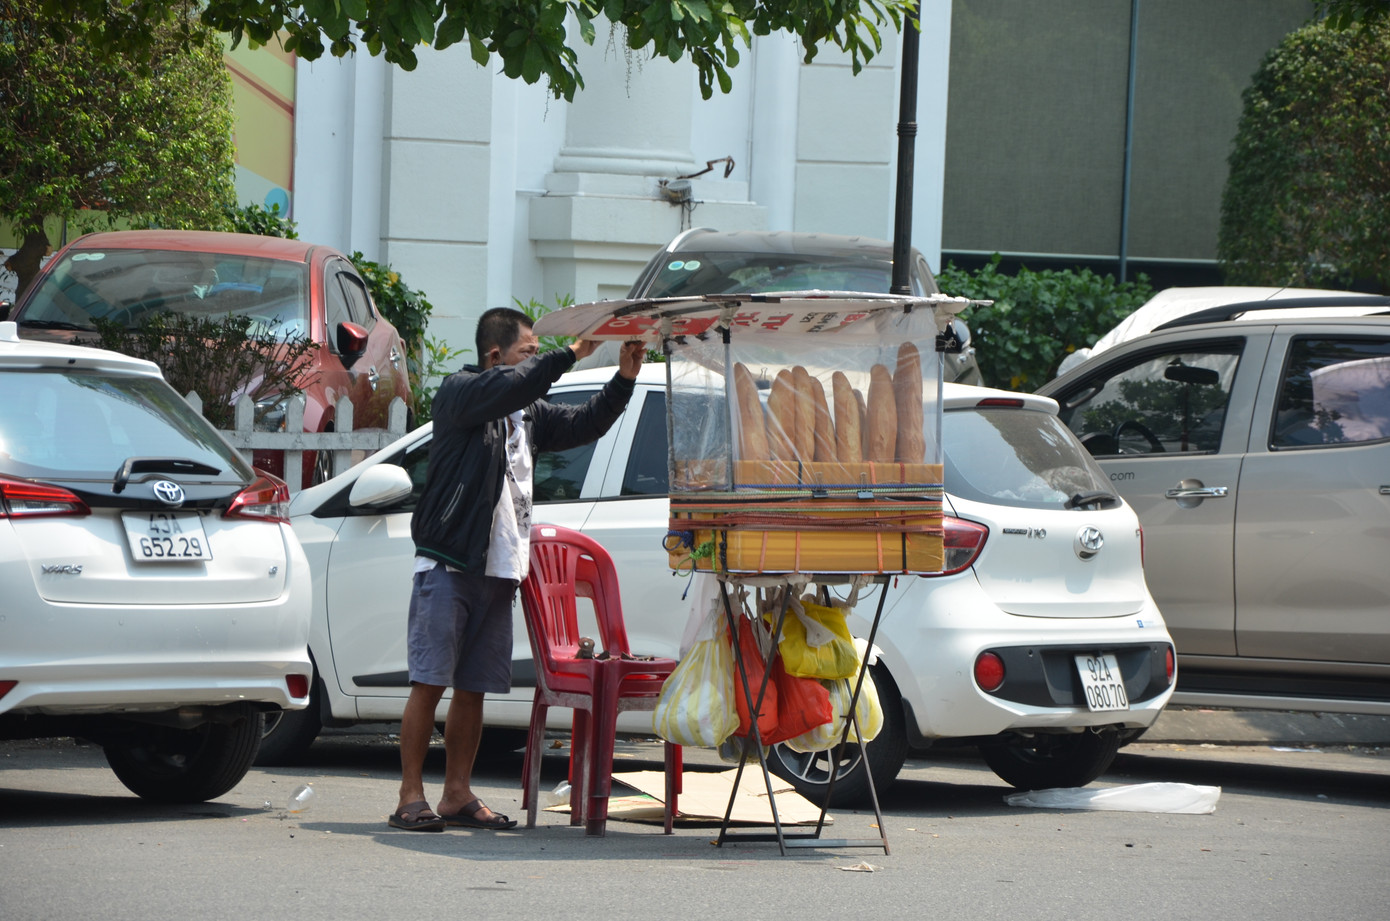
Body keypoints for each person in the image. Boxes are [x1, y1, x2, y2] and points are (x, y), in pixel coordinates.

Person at [389, 306, 645, 831]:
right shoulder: (462, 393)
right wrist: (571, 353)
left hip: (501, 568)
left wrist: (623, 379)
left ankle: (456, 794)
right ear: (494, 356)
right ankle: (409, 796)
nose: (536, 361)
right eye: (528, 351)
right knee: (429, 683)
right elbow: (522, 383)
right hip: (449, 564)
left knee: (474, 688)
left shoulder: (527, 413)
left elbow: (584, 424)